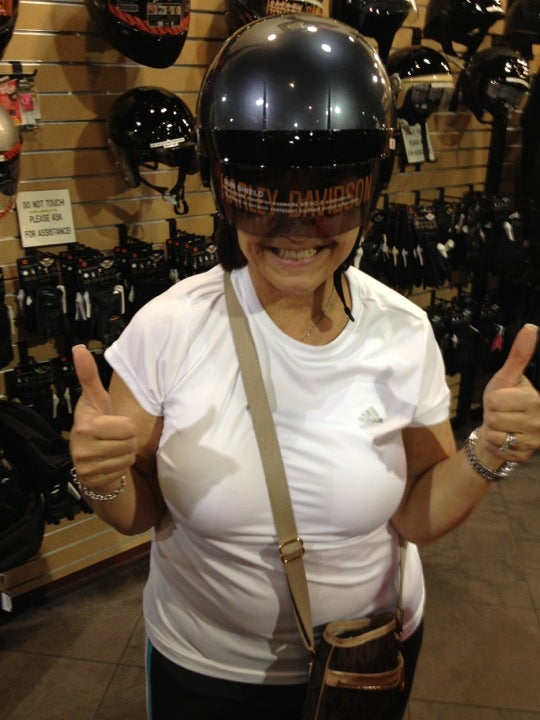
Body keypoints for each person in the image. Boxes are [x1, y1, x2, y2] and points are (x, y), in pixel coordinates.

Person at [69, 14, 540, 720]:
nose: (296, 231)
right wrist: (100, 476)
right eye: (263, 196)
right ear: (224, 190)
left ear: (369, 190)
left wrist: (489, 451)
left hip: (365, 660)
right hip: (206, 667)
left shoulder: (401, 331)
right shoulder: (168, 329)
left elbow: (415, 514)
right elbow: (138, 517)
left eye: (330, 196)